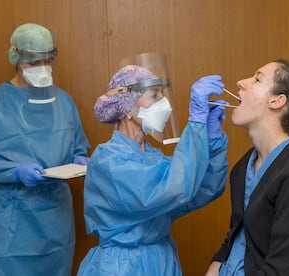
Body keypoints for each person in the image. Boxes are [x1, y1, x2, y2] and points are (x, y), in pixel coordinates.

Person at [77, 55, 229, 275]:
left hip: (161, 261)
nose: (163, 103)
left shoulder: (152, 157)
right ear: (128, 107)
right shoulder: (108, 160)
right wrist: (195, 124)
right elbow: (172, 187)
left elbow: (200, 189)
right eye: (154, 96)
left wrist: (212, 142)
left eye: (162, 95)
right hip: (122, 267)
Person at [0, 23, 90, 276]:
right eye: (33, 62)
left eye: (46, 60)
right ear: (15, 57)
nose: (42, 68)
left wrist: (79, 159)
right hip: (10, 222)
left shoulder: (63, 101)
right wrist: (14, 172)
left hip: (55, 217)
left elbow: (78, 144)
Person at [206, 59, 289, 276]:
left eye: (257, 79)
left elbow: (282, 270)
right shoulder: (243, 167)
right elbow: (236, 239)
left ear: (277, 100)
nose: (241, 82)